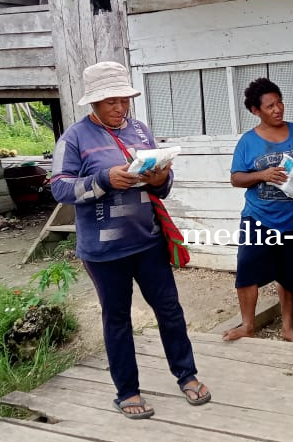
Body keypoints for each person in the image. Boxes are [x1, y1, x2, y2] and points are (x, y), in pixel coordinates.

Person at [50, 61, 210, 419]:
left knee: (170, 311)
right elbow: (59, 188)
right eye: (111, 101)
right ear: (93, 103)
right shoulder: (75, 138)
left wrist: (158, 179)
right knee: (117, 318)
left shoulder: (140, 130)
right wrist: (105, 179)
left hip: (148, 241)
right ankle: (127, 391)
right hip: (104, 252)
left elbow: (163, 187)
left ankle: (186, 374)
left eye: (124, 99)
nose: (119, 108)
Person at [224, 78, 293, 343]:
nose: (278, 109)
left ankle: (288, 328)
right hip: (259, 218)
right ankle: (247, 324)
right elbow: (236, 179)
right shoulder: (248, 142)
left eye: (279, 103)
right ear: (256, 111)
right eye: (270, 106)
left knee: (290, 274)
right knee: (247, 270)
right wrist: (262, 174)